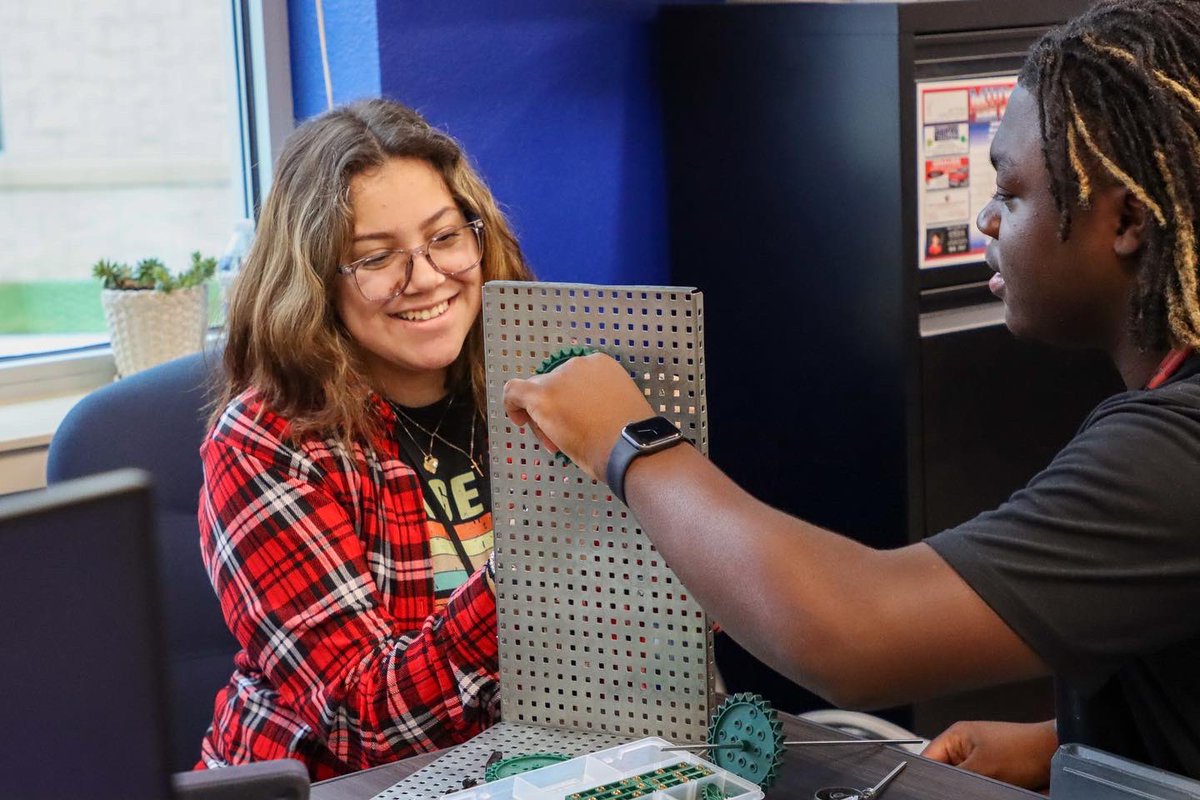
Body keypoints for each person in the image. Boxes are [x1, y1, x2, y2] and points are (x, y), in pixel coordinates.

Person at [502, 0, 1200, 791]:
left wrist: (626, 439)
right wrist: (1068, 742)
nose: (985, 217)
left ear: (1128, 220)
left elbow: (850, 630)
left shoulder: (1174, 452)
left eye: (1011, 191)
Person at [198, 98, 534, 780]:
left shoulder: (529, 386)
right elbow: (366, 721)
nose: (428, 278)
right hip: (335, 785)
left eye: (445, 238)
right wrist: (535, 570)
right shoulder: (266, 443)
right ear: (316, 282)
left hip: (519, 765)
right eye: (376, 257)